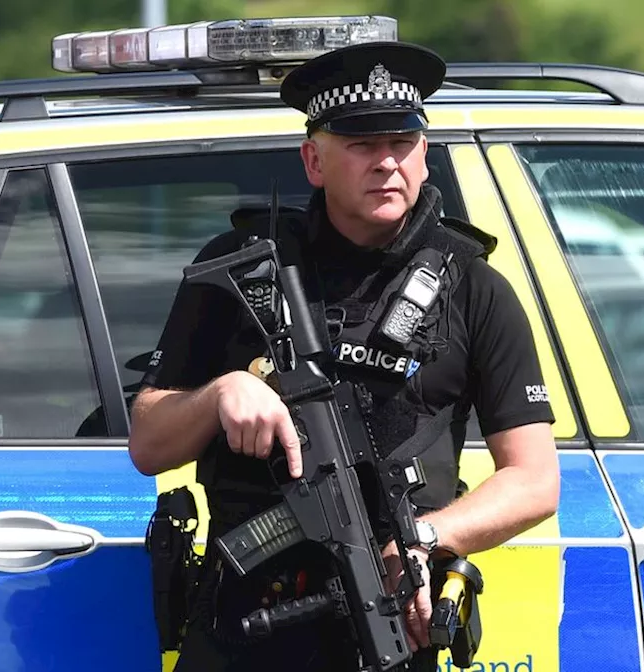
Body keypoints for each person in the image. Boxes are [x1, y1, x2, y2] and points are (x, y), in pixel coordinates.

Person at [128, 41, 561, 672]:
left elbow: (534, 480)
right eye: (361, 145)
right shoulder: (244, 265)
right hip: (243, 627)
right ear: (314, 159)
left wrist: (423, 542)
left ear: (424, 153)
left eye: (403, 143)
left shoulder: (474, 287)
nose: (387, 163)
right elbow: (149, 443)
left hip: (393, 616)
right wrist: (221, 394)